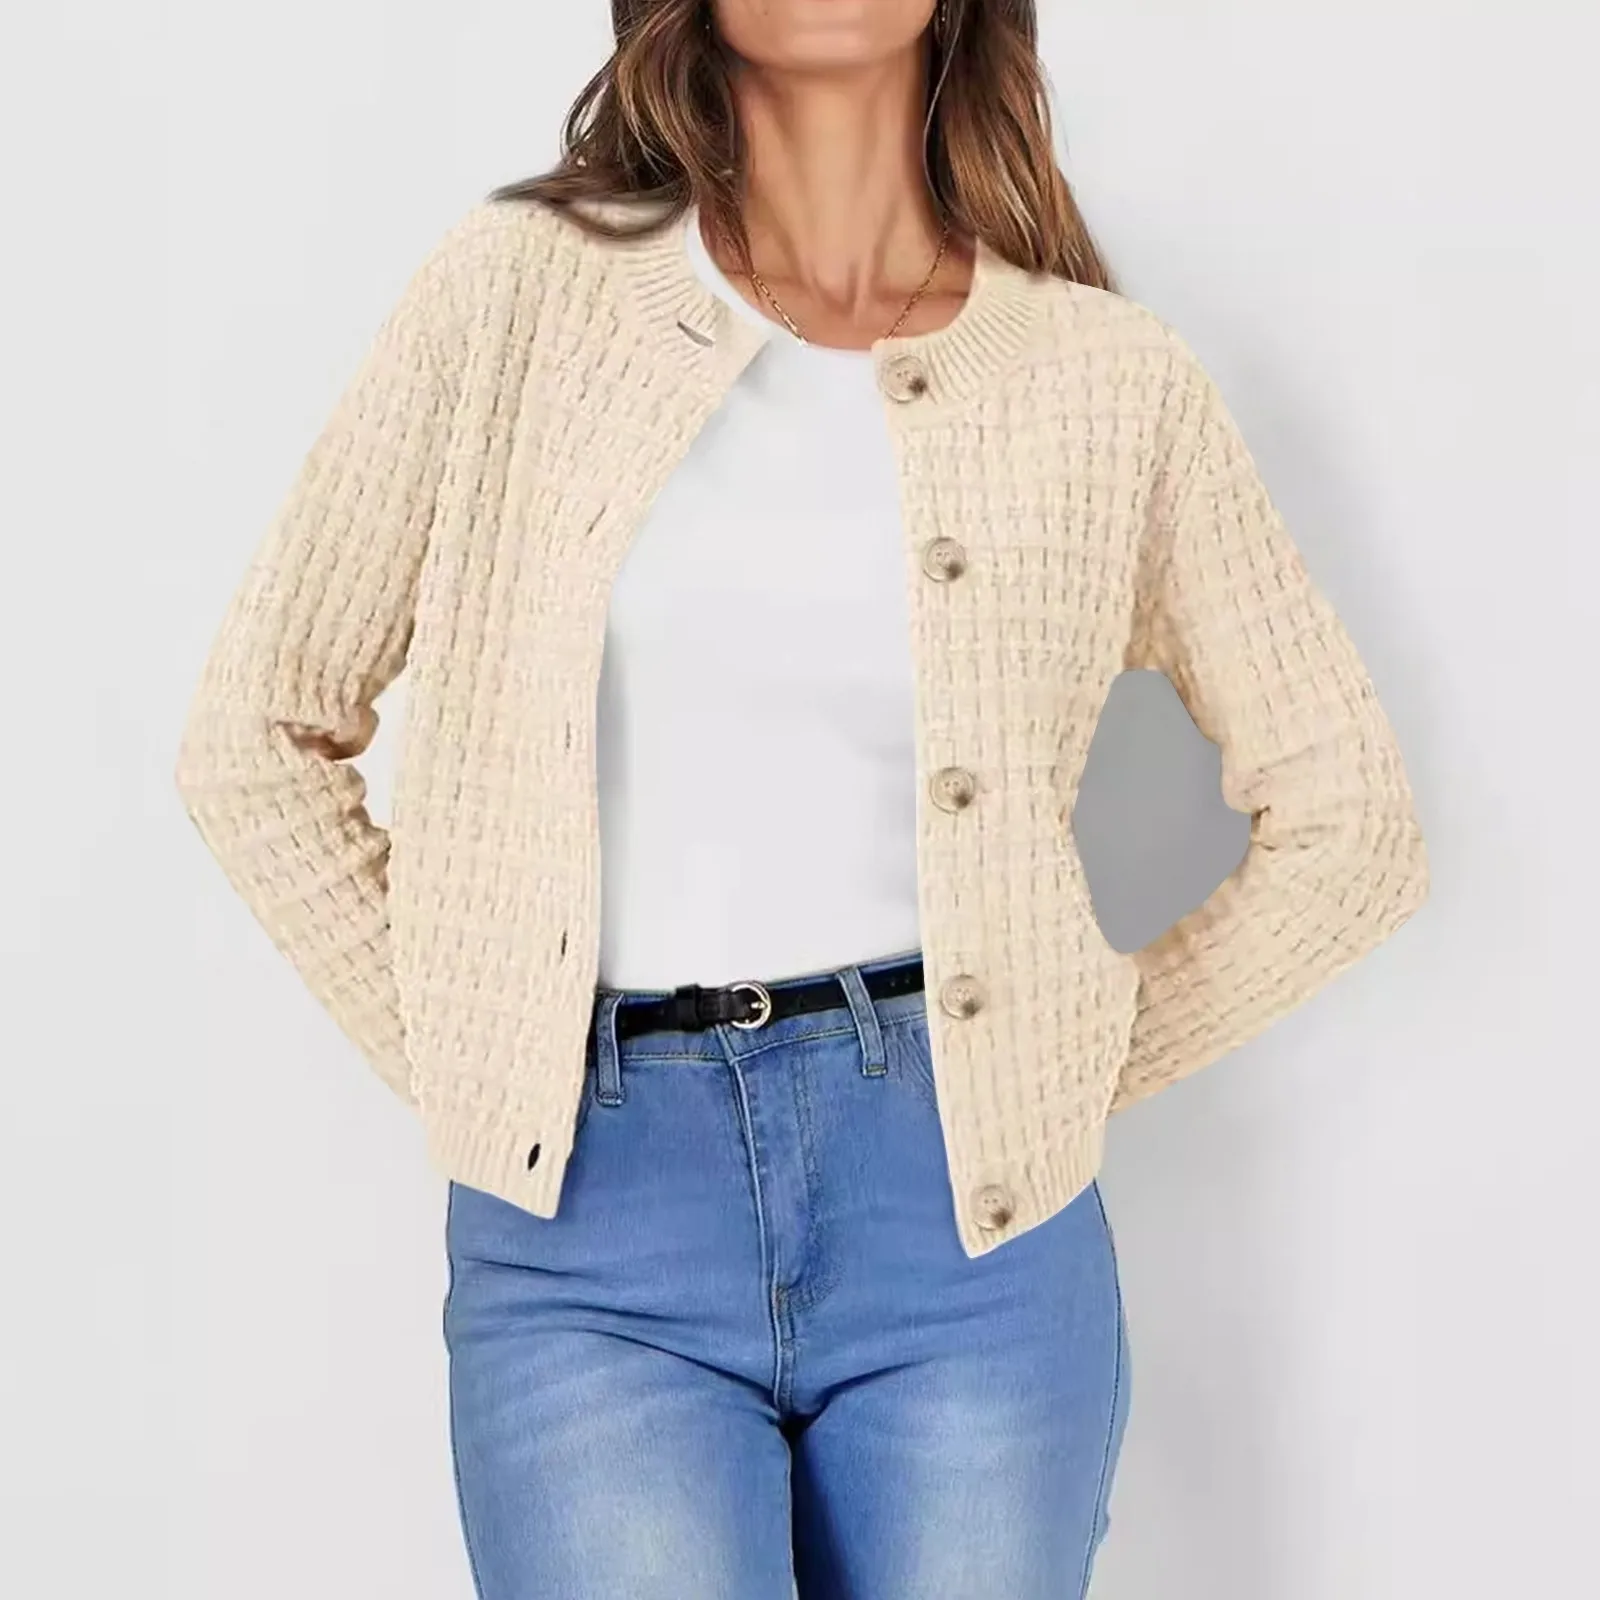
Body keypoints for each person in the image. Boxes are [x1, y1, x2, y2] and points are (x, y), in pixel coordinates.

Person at [175, 1, 1430, 1595]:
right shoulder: (514, 299)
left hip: (972, 1236)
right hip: (589, 1237)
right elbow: (256, 735)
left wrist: (1051, 1054)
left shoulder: (1108, 381)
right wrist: (480, 1049)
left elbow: (1352, 826)